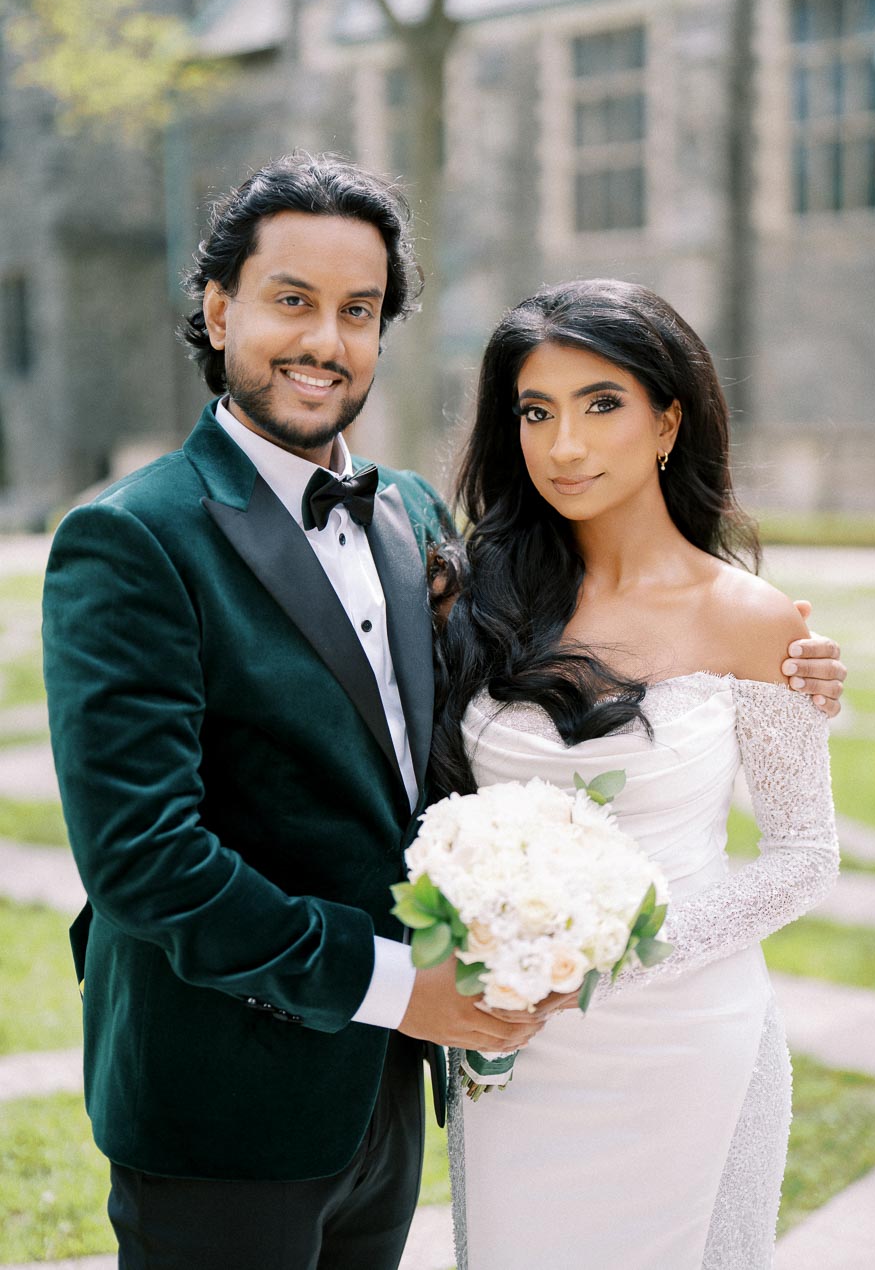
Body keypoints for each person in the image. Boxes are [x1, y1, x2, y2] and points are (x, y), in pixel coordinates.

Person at [41, 153, 550, 1270]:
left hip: (381, 1094)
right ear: (219, 309)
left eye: (357, 312)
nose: (325, 341)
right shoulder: (130, 539)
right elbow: (147, 858)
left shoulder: (411, 511)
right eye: (292, 301)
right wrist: (397, 989)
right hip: (220, 1092)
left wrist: (762, 647)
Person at [431, 279, 841, 1269]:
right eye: (537, 412)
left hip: (688, 1041)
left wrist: (600, 966)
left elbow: (802, 855)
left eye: (600, 405)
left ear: (667, 420)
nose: (564, 445)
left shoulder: (754, 618)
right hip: (509, 1047)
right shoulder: (463, 594)